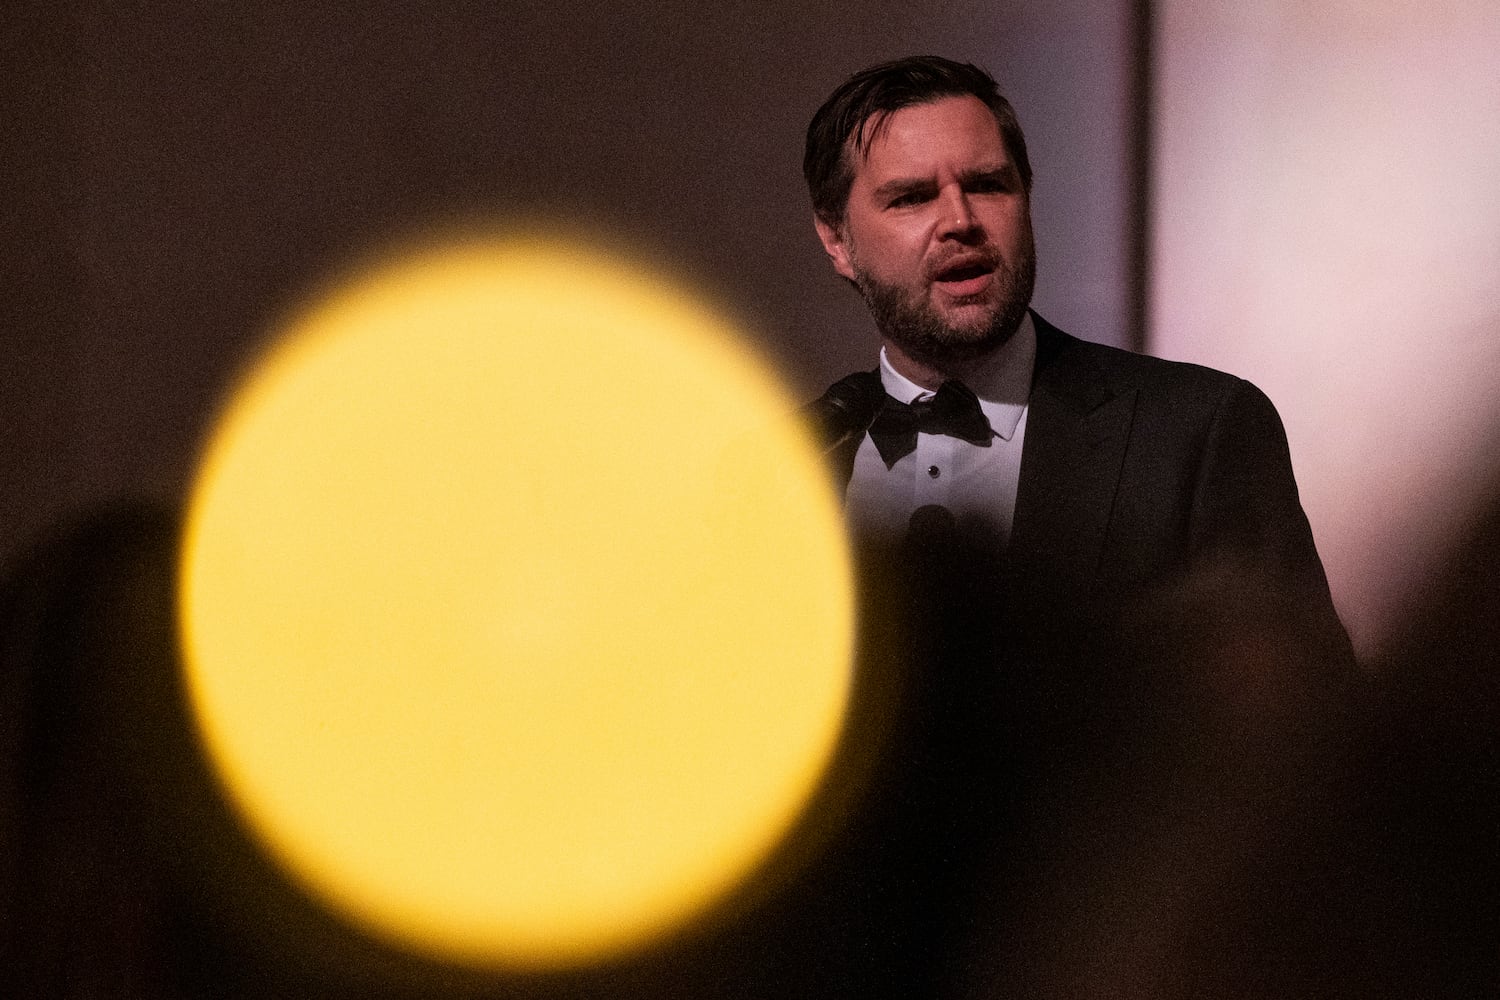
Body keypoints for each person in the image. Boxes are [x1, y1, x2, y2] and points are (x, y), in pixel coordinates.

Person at [783, 55, 1356, 997]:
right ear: (837, 241)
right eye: (910, 197)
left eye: (989, 184)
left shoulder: (1196, 430)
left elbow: (1304, 750)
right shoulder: (783, 471)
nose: (960, 219)